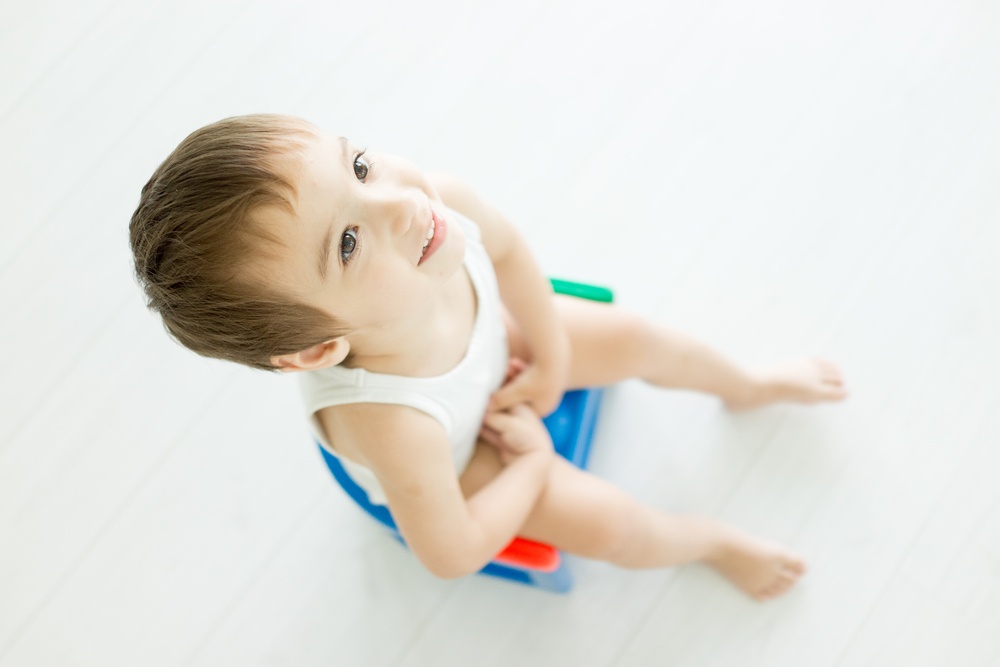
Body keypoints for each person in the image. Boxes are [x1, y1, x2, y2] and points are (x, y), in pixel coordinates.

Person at [130, 114, 848, 601]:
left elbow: (507, 253)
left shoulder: (435, 203)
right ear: (319, 346)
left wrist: (553, 353)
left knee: (637, 336)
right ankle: (708, 543)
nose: (397, 204)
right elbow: (451, 554)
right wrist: (534, 463)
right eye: (347, 242)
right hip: (460, 446)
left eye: (358, 164)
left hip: (494, 341)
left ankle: (748, 383)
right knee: (610, 524)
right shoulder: (390, 425)